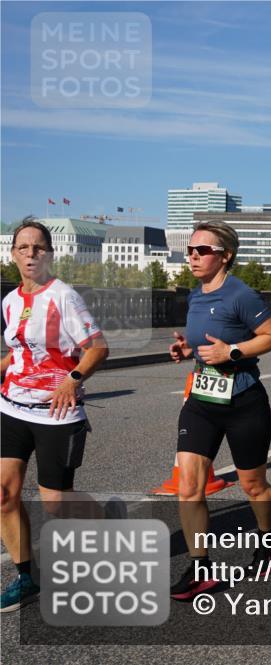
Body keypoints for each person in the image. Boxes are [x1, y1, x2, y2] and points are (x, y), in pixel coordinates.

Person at [166, 221, 271, 600]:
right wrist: (188, 349)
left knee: (253, 485)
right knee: (189, 487)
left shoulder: (241, 294)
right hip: (202, 400)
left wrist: (231, 352)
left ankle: (268, 539)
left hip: (244, 402)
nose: (194, 256)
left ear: (225, 256)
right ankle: (201, 569)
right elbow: (205, 340)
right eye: (191, 250)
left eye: (203, 250)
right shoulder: (195, 296)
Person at [1, 218, 110, 612]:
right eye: (23, 247)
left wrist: (72, 379)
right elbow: (21, 350)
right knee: (4, 495)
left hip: (56, 415)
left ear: (50, 253)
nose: (31, 254)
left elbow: (97, 348)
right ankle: (26, 577)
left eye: (39, 248)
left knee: (54, 502)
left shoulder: (64, 296)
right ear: (13, 254)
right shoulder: (10, 301)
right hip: (12, 408)